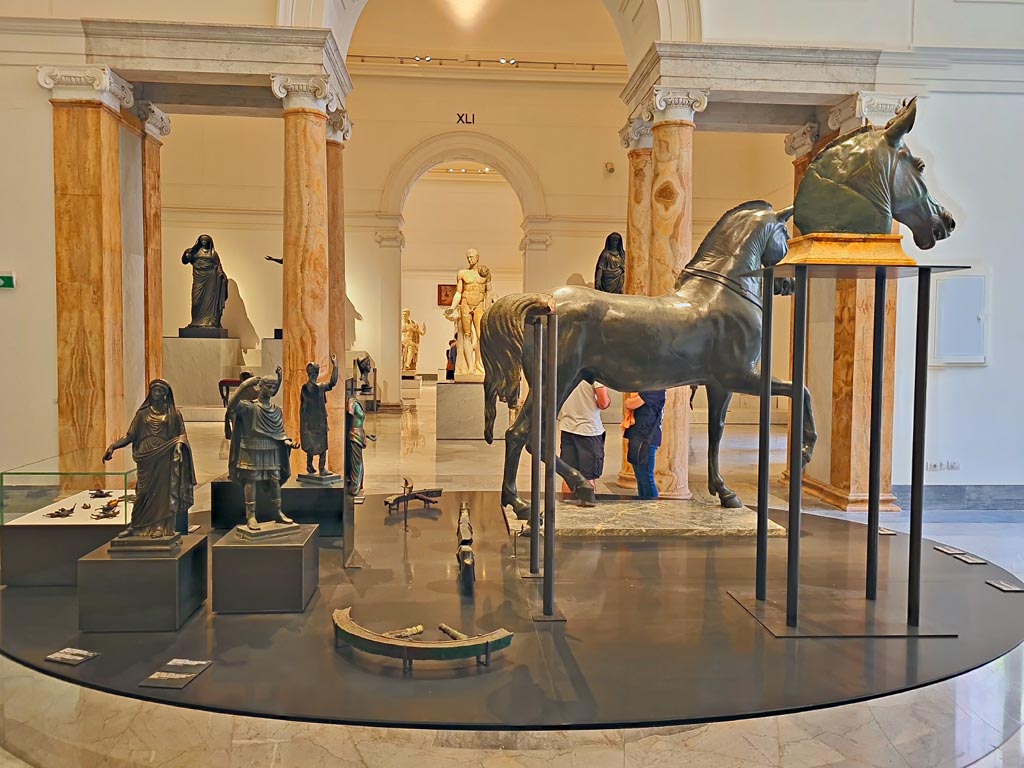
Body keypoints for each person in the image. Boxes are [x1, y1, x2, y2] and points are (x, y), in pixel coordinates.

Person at [103, 379, 196, 537]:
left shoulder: (173, 414)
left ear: (166, 394)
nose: (157, 394)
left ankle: (160, 525)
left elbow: (182, 434)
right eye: (155, 391)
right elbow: (130, 435)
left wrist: (179, 445)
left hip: (165, 456)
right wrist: (113, 446)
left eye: (161, 391)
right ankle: (136, 525)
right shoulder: (143, 413)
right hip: (146, 457)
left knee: (162, 493)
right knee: (143, 493)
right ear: (151, 393)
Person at [226, 366, 299, 529]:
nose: (271, 390)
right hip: (251, 449)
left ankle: (278, 512)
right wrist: (244, 385)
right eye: (268, 386)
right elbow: (232, 405)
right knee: (251, 480)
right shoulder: (249, 407)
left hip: (271, 448)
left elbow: (279, 433)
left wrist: (288, 442)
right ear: (260, 387)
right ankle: (251, 516)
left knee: (275, 480)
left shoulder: (276, 410)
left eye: (274, 387)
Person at [558, 380, 611, 492]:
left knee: (570, 477)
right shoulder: (595, 374)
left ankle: (566, 507)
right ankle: (587, 505)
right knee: (588, 477)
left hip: (567, 426)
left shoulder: (566, 370)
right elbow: (603, 403)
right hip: (589, 430)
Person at [300, 355, 339, 476]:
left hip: (309, 420)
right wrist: (335, 365)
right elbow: (333, 383)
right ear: (316, 373)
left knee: (311, 442)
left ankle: (310, 465)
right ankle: (321, 468)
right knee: (322, 444)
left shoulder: (305, 387)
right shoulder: (320, 387)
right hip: (319, 420)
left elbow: (303, 407)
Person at [624, 390, 666, 500]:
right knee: (640, 477)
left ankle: (650, 507)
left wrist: (630, 401)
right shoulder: (648, 389)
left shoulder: (655, 389)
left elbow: (630, 404)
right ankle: (642, 504)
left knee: (646, 477)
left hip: (647, 438)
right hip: (638, 436)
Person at [181, 234, 228, 329]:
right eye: (202, 241)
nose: (204, 243)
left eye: (206, 241)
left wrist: (222, 276)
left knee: (210, 301)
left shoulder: (213, 254)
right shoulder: (194, 253)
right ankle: (195, 322)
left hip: (211, 279)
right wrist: (186, 253)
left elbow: (218, 266)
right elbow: (184, 261)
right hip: (199, 279)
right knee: (196, 301)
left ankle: (210, 322)